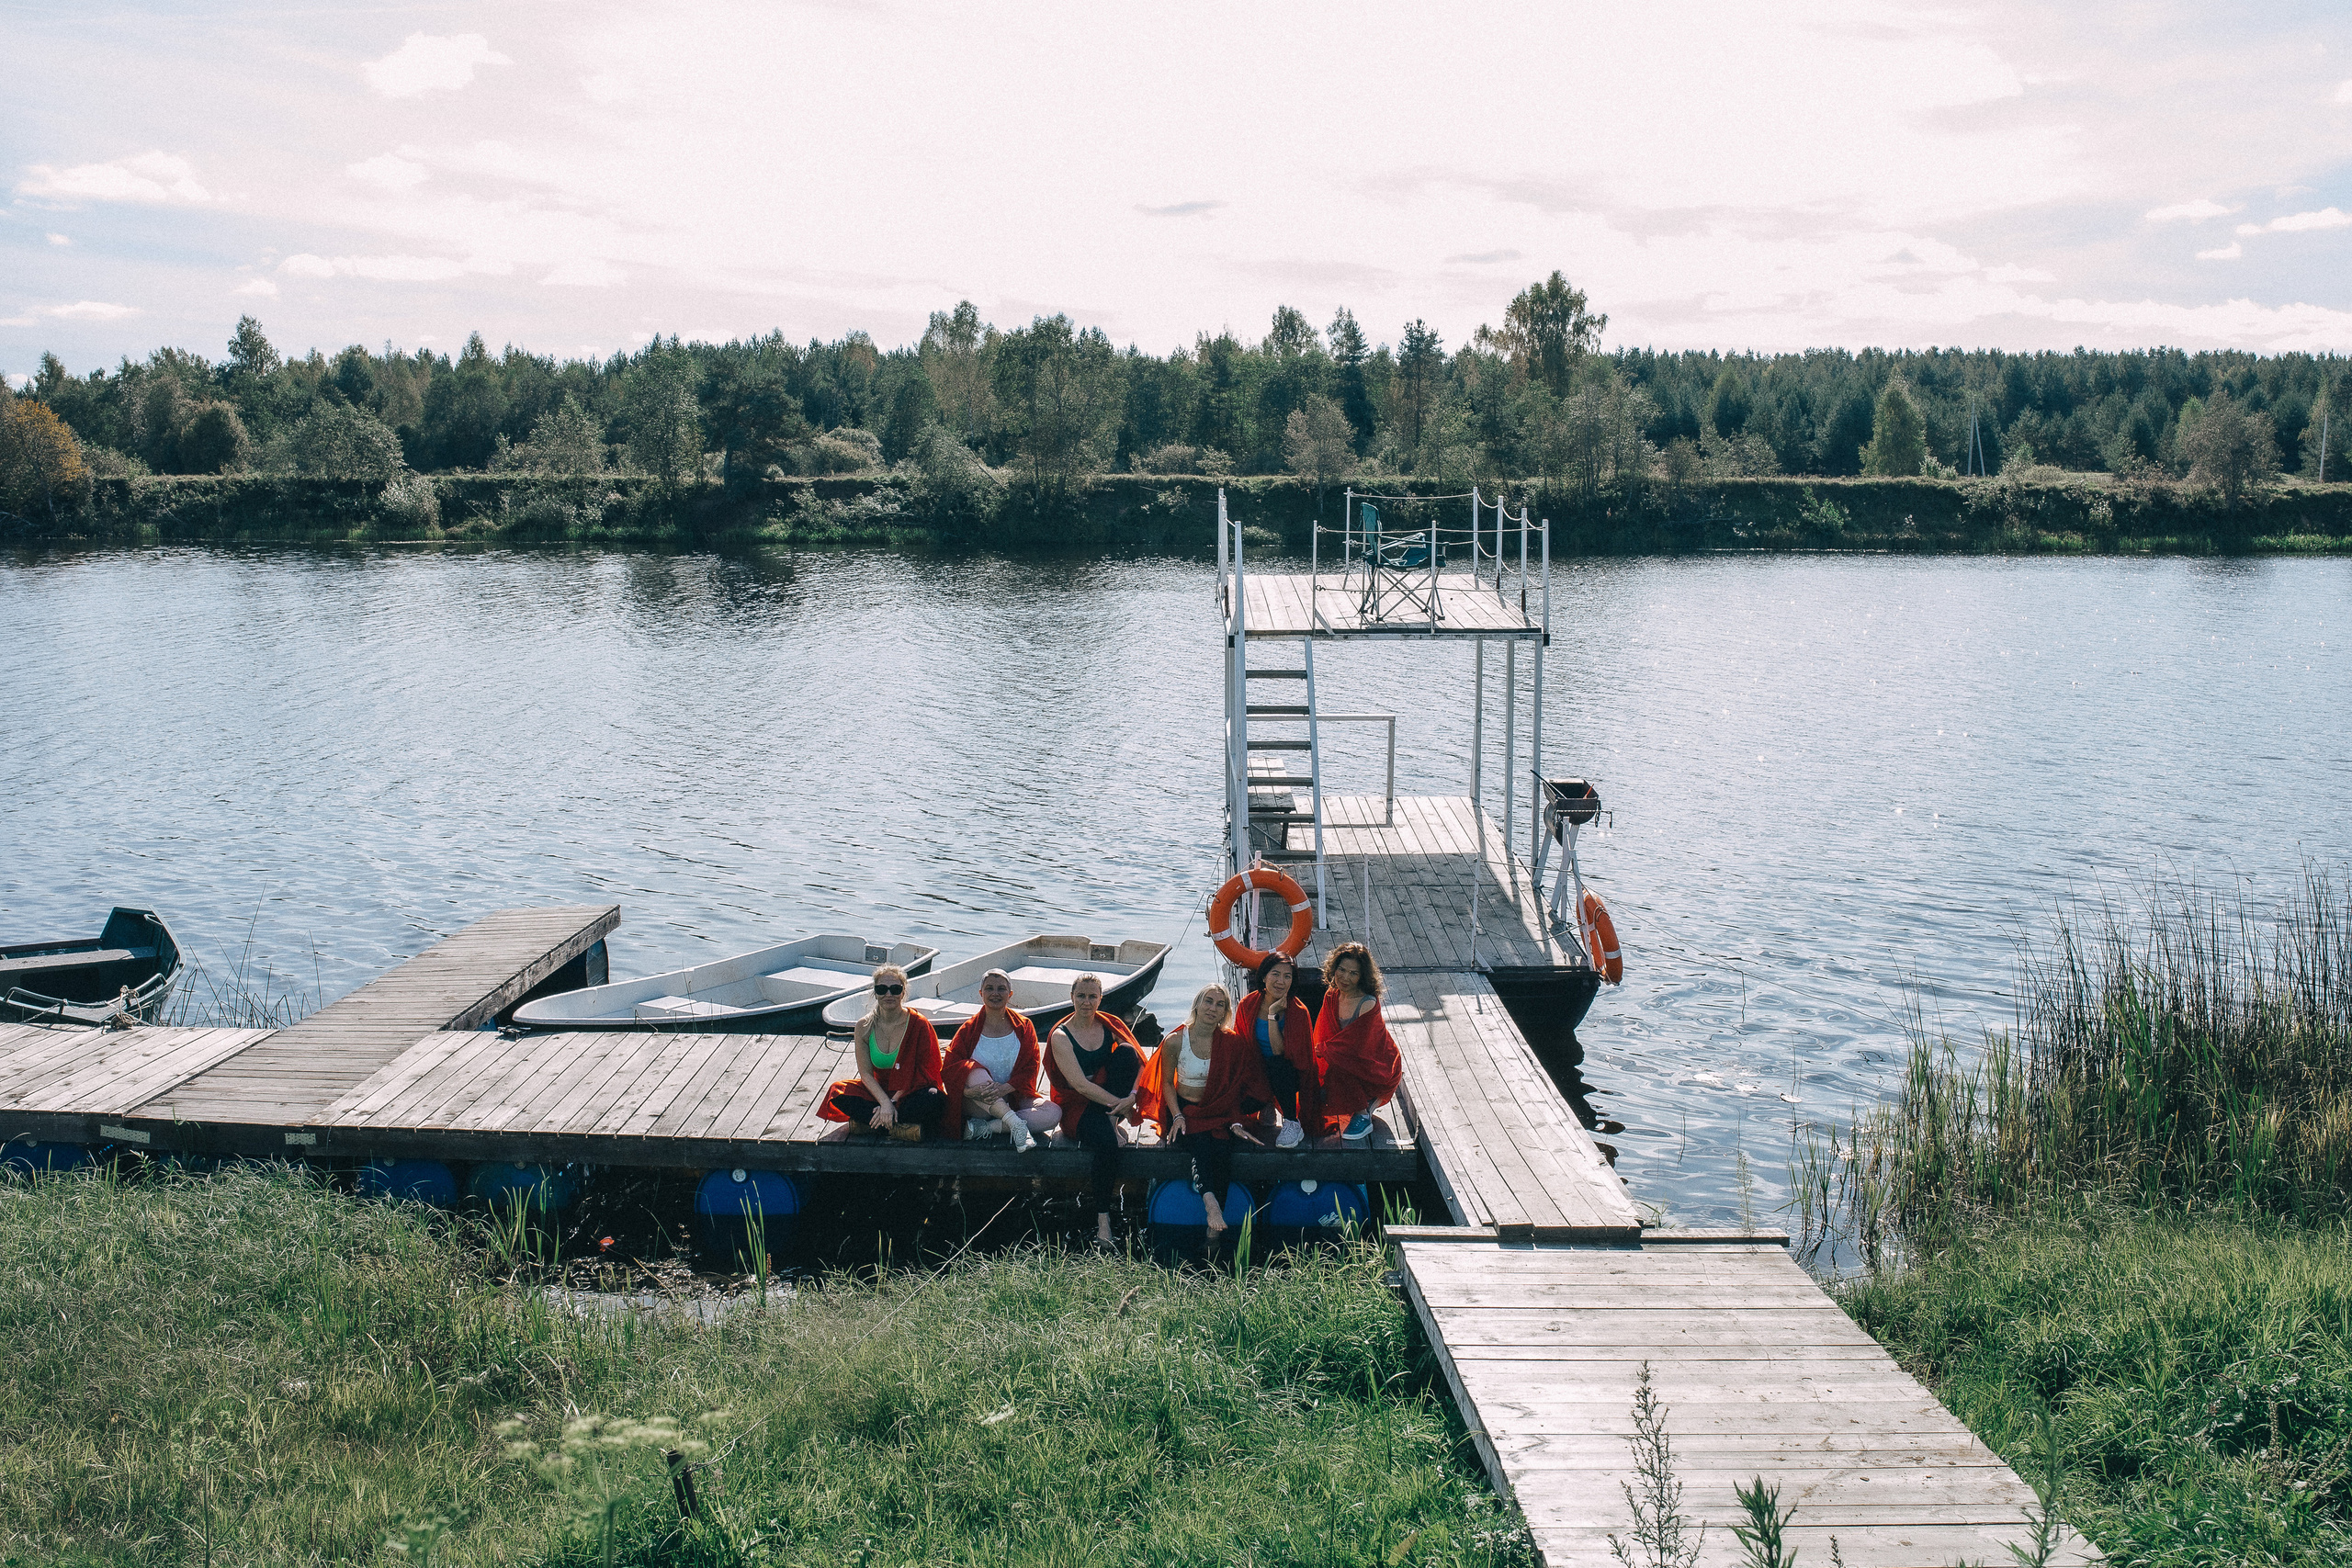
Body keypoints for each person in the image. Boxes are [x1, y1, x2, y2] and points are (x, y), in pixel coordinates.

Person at [1155, 983, 1273, 1243]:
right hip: (1186, 1110)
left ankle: (1213, 1227)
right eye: (1208, 1001)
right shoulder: (1175, 1041)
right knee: (1200, 1144)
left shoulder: (1231, 1042)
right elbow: (1166, 1084)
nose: (1213, 1008)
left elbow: (1235, 1087)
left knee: (1222, 1150)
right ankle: (1212, 1206)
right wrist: (1177, 1116)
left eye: (1220, 1005)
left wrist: (1235, 1121)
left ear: (1225, 1012)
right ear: (1197, 1004)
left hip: (1218, 1112)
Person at [1044, 973, 1148, 1249]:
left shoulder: (1107, 1024)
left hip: (1107, 1099)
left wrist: (1133, 1097)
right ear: (1071, 998)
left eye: (1092, 996)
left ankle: (1113, 1122)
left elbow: (1139, 1063)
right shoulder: (1060, 1036)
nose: (1086, 1002)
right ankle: (1103, 1221)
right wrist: (1120, 1103)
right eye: (1081, 996)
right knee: (1105, 1144)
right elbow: (1080, 1086)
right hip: (1075, 1105)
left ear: (1101, 998)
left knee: (1126, 1052)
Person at [819, 963, 947, 1141]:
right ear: (875, 992)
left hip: (909, 1091)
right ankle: (901, 1128)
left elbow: (927, 1073)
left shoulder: (919, 1024)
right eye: (882, 989)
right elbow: (866, 1075)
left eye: (895, 989)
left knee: (934, 1098)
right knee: (838, 1092)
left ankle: (870, 1125)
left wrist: (893, 1102)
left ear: (903, 992)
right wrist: (885, 1103)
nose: (889, 994)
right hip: (878, 1093)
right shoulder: (863, 1026)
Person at [941, 969, 1060, 1153]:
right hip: (980, 1102)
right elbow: (950, 1068)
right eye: (989, 988)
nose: (995, 993)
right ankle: (1015, 1124)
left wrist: (1006, 1088)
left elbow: (1030, 1067)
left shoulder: (1024, 1026)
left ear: (1010, 994)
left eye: (1001, 989)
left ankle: (988, 1128)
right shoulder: (968, 1030)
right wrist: (969, 1092)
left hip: (1012, 1096)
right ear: (981, 993)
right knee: (972, 1069)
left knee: (1053, 1113)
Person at [1313, 942, 1401, 1145]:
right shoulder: (1331, 996)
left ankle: (1362, 1113)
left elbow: (1357, 1049)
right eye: (1341, 970)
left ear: (1362, 976)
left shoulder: (1367, 1003)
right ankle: (1361, 1098)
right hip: (1347, 1061)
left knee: (1338, 1064)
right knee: (1315, 1090)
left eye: (1353, 973)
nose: (1345, 977)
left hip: (1378, 1065)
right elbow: (1324, 1034)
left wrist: (1324, 1051)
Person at [1234, 952, 1318, 1148]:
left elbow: (1281, 1052)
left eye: (1287, 976)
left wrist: (1272, 1015)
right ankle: (1266, 1101)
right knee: (1243, 1107)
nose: (1281, 981)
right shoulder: (1247, 1004)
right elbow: (1241, 1045)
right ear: (1264, 977)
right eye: (1275, 974)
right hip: (1256, 1070)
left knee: (1277, 1064)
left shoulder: (1298, 1011)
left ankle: (1291, 1122)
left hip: (1287, 1073)